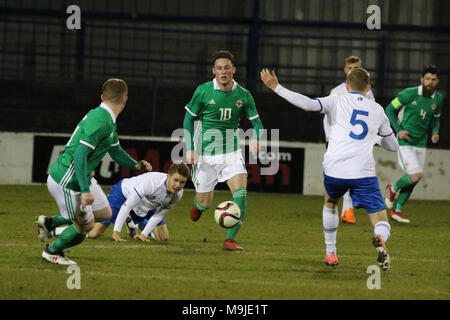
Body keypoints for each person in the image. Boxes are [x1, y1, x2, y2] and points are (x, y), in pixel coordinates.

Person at [261, 67, 399, 271]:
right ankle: (379, 237)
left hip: (335, 169)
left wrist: (277, 87)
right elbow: (393, 146)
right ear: (369, 87)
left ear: (347, 85)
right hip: (363, 172)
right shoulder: (378, 109)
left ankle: (331, 253)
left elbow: (308, 105)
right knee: (380, 219)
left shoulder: (336, 99)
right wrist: (375, 137)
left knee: (331, 201)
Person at [35, 78, 152, 265]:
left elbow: (115, 149)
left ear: (102, 96)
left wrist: (135, 165)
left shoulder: (106, 118)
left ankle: (49, 224)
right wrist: (85, 190)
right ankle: (52, 251)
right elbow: (80, 155)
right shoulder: (102, 121)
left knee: (105, 214)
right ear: (125, 99)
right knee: (86, 226)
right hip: (68, 180)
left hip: (81, 177)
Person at [183, 50, 264, 251]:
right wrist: (190, 148)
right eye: (219, 68)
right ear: (214, 71)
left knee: (241, 194)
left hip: (231, 153)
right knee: (204, 203)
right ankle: (199, 206)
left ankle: (229, 240)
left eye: (227, 67)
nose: (223, 71)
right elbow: (188, 119)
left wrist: (256, 138)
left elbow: (258, 124)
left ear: (234, 70)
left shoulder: (243, 95)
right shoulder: (203, 91)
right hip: (205, 155)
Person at [384, 65, 442, 223]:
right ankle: (392, 188)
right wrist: (399, 130)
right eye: (427, 79)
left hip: (421, 143)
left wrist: (435, 132)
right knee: (415, 175)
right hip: (405, 141)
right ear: (422, 80)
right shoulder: (408, 94)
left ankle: (397, 211)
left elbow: (435, 118)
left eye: (434, 79)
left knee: (415, 178)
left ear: (437, 82)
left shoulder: (438, 99)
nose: (430, 82)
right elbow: (389, 109)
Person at [326, 56, 376, 224]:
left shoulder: (367, 92)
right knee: (343, 176)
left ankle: (348, 210)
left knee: (352, 175)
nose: (353, 71)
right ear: (345, 70)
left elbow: (373, 115)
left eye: (357, 68)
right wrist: (329, 137)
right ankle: (347, 209)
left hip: (359, 142)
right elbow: (327, 117)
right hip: (339, 142)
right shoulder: (336, 92)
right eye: (350, 68)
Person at [88, 162, 189, 242]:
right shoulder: (152, 183)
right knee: (93, 234)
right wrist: (116, 232)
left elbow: (159, 215)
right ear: (168, 176)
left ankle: (133, 224)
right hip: (123, 194)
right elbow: (126, 206)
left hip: (145, 204)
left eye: (182, 182)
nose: (178, 185)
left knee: (163, 238)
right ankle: (81, 216)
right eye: (176, 180)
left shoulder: (178, 194)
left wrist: (143, 235)